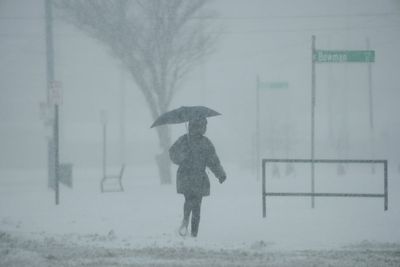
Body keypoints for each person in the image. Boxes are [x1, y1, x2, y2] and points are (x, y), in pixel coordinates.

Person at [169, 117, 226, 237]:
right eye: (204, 126)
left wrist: (181, 157)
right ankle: (193, 231)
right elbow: (213, 161)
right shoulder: (204, 143)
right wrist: (220, 174)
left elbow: (172, 153)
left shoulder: (184, 140)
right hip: (196, 177)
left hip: (186, 176)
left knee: (190, 200)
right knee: (196, 205)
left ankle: (186, 221)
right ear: (198, 127)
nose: (205, 128)